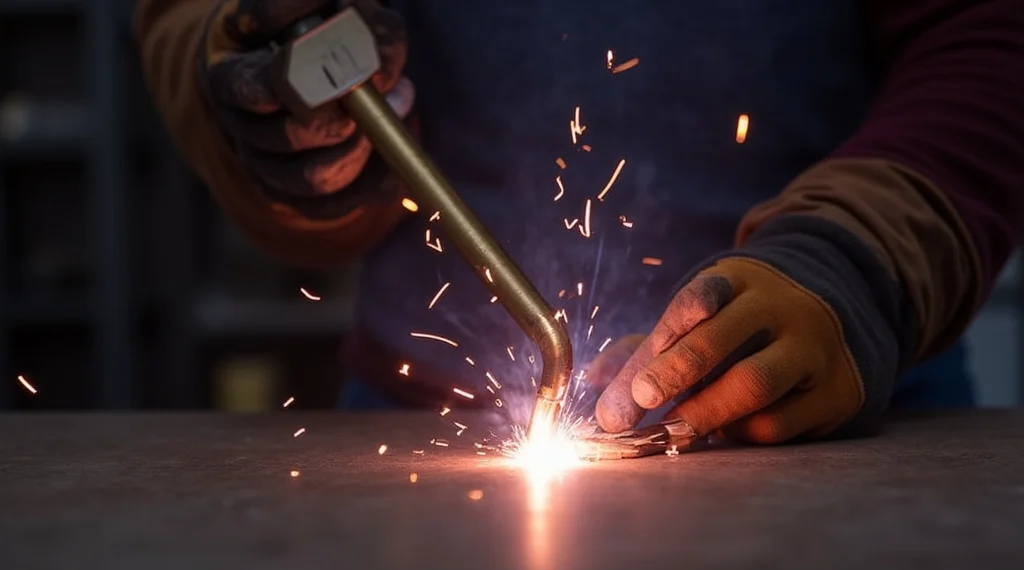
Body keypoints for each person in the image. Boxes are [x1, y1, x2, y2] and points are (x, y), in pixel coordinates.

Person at [135, 0, 1023, 443]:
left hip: (846, 414)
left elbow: (990, 34)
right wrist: (255, 82)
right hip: (422, 419)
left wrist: (853, 258)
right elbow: (197, 20)